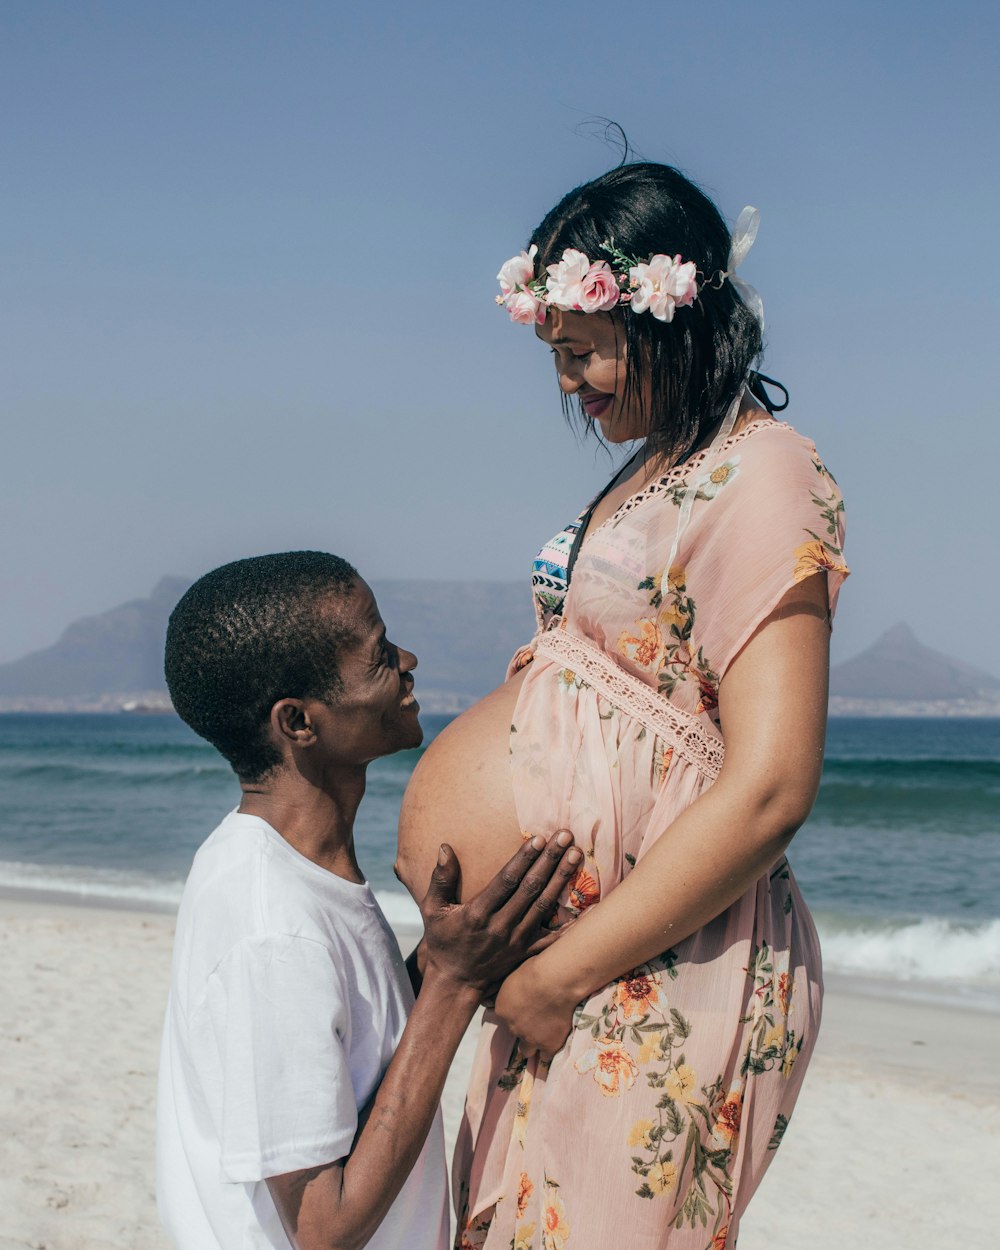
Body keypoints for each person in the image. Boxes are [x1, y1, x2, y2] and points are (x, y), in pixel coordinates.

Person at [395, 162, 849, 1249]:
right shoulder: (652, 467)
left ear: (662, 317)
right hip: (578, 963)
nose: (567, 385)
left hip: (646, 955)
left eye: (579, 353)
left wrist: (560, 967)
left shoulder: (765, 471)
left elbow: (773, 784)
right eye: (553, 357)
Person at [155, 550, 582, 1250]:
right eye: (380, 655)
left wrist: (440, 960)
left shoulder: (288, 872)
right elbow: (324, 1228)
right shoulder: (273, 928)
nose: (408, 661)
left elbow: (352, 1065)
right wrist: (452, 982)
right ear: (298, 722)